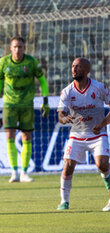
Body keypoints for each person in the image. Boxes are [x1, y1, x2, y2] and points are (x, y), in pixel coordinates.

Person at [0, 36, 50, 183]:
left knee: (26, 137)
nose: (17, 49)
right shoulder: (3, 62)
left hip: (26, 104)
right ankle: (14, 172)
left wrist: (45, 100)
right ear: (10, 48)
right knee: (9, 137)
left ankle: (24, 172)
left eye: (20, 47)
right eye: (15, 47)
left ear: (24, 48)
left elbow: (42, 80)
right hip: (9, 105)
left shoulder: (31, 62)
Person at [57, 57, 110, 211]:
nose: (74, 69)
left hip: (98, 134)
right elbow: (60, 115)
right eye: (73, 66)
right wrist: (64, 118)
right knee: (67, 165)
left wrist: (101, 124)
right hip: (77, 134)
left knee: (102, 164)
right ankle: (64, 202)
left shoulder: (99, 88)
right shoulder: (67, 91)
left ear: (87, 71)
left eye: (78, 66)